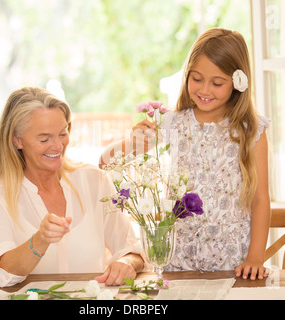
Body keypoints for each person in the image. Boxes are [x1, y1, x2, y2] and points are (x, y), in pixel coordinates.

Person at [100, 28, 271, 280]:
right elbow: (105, 161)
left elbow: (260, 199)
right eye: (197, 78)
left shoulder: (251, 129)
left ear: (237, 81)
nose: (205, 90)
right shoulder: (172, 123)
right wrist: (132, 138)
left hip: (233, 262)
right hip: (179, 262)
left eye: (217, 83)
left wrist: (255, 258)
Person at [0, 87, 143, 287]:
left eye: (62, 133)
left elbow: (131, 250)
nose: (58, 146)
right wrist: (40, 239)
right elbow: (3, 273)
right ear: (17, 140)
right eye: (44, 139)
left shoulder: (95, 181)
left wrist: (126, 262)